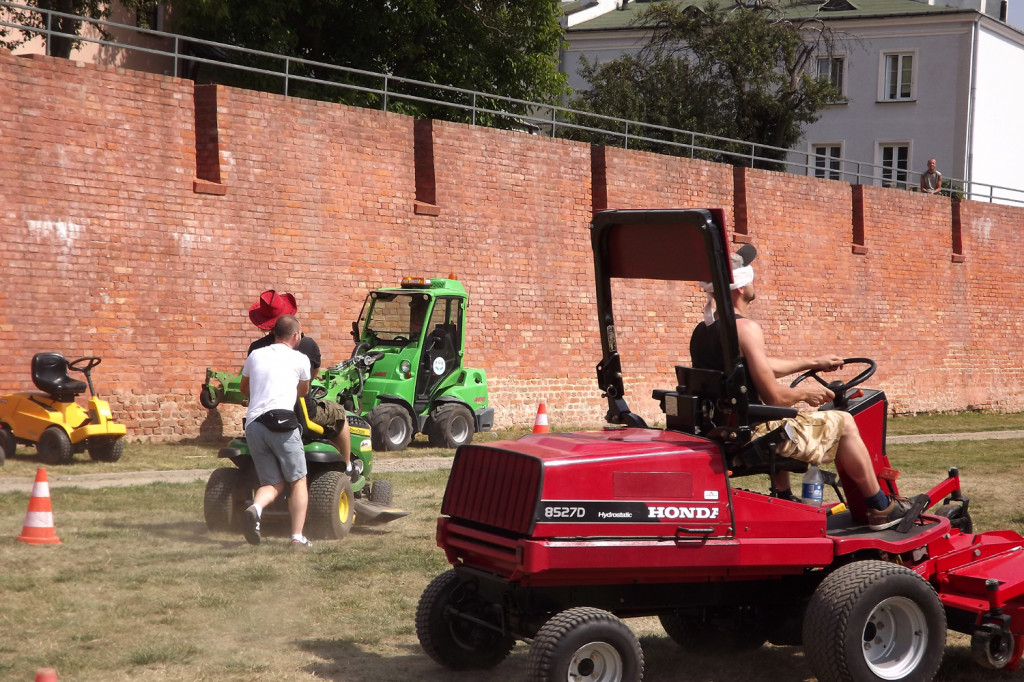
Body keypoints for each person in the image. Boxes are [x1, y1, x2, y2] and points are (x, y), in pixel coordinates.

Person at [689, 245, 909, 531]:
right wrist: (807, 394)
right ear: (741, 286)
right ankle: (880, 507)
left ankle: (784, 497)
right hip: (751, 434)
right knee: (844, 422)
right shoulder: (746, 329)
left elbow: (757, 367)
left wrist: (812, 362)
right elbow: (776, 396)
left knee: (781, 417)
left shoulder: (705, 329)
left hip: (723, 429)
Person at [247, 291, 354, 474]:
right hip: (302, 413)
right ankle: (346, 467)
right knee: (340, 414)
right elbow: (307, 382)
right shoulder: (306, 345)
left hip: (260, 417)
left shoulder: (256, 349)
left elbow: (250, 383)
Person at [240, 314, 313, 547]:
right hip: (282, 424)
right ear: (296, 335)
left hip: (254, 425)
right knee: (297, 480)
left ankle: (256, 508)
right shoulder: (301, 359)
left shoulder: (255, 355)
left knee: (272, 482)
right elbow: (303, 392)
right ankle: (296, 537)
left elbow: (244, 388)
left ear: (274, 333)